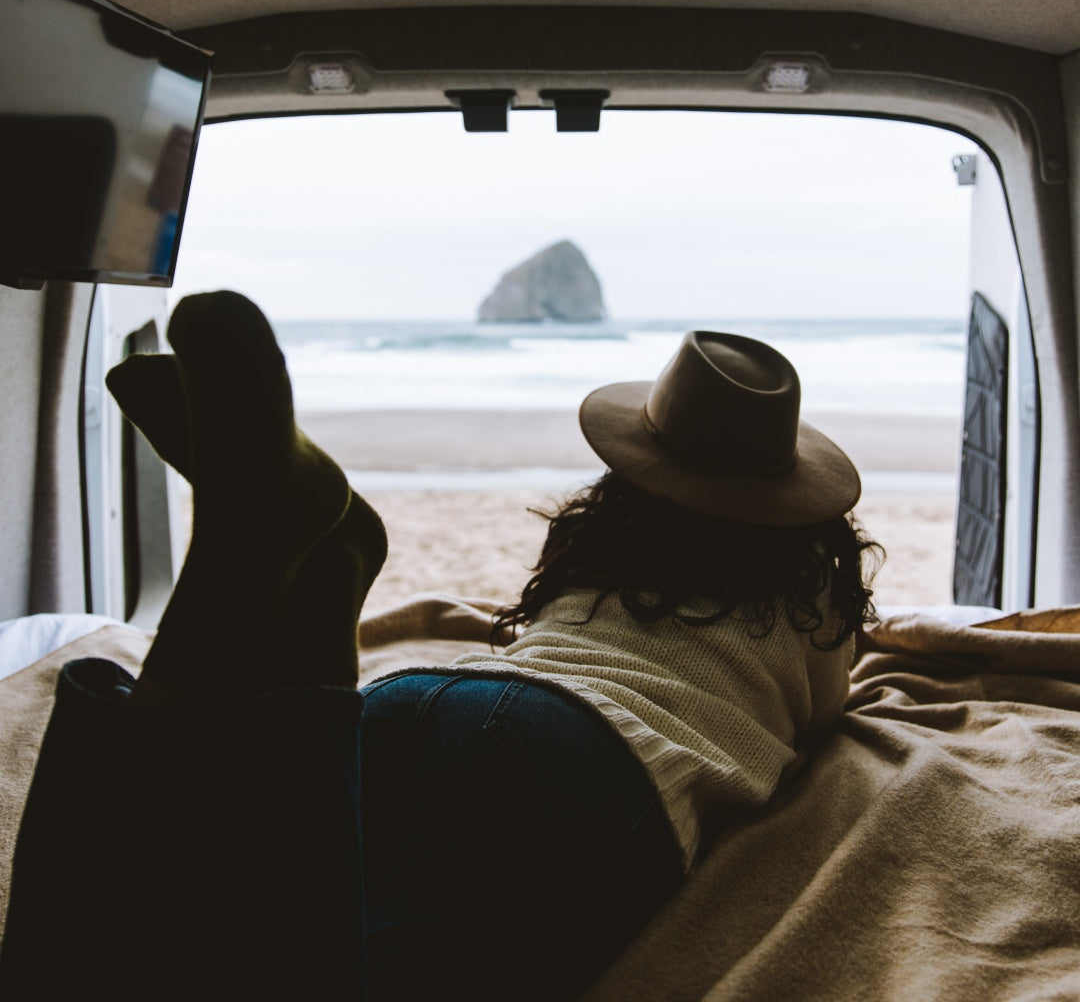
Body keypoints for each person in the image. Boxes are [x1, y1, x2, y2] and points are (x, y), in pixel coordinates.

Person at [0, 292, 879, 1001]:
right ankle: (273, 595)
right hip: (597, 770)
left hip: (432, 700)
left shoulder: (602, 548)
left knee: (205, 882)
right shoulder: (811, 591)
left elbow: (532, 634)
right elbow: (823, 714)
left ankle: (286, 599)